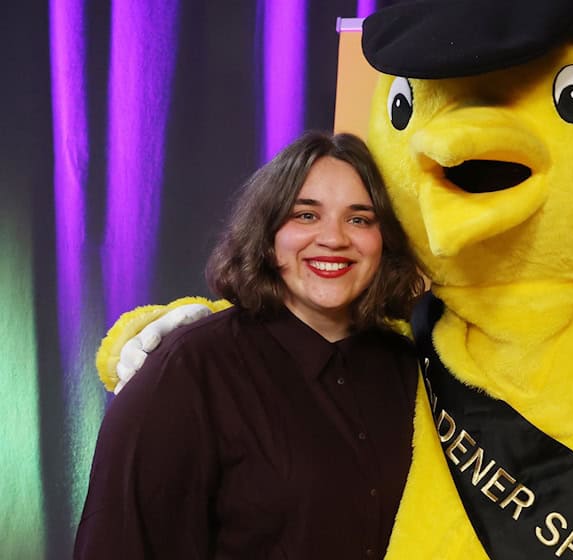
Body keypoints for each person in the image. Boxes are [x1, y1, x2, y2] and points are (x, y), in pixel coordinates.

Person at [74, 131, 426, 559]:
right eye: (306, 216)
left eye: (360, 219)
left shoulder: (410, 371)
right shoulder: (186, 371)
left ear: (384, 239)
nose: (334, 238)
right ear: (268, 232)